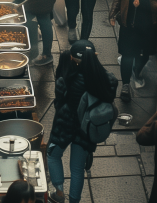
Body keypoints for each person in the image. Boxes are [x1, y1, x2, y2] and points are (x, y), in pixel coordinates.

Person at [47, 41, 117, 203]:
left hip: (65, 125)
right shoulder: (108, 80)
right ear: (95, 56)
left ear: (72, 59)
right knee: (77, 169)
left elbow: (59, 103)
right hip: (87, 128)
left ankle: (58, 193)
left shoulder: (65, 80)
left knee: (53, 156)